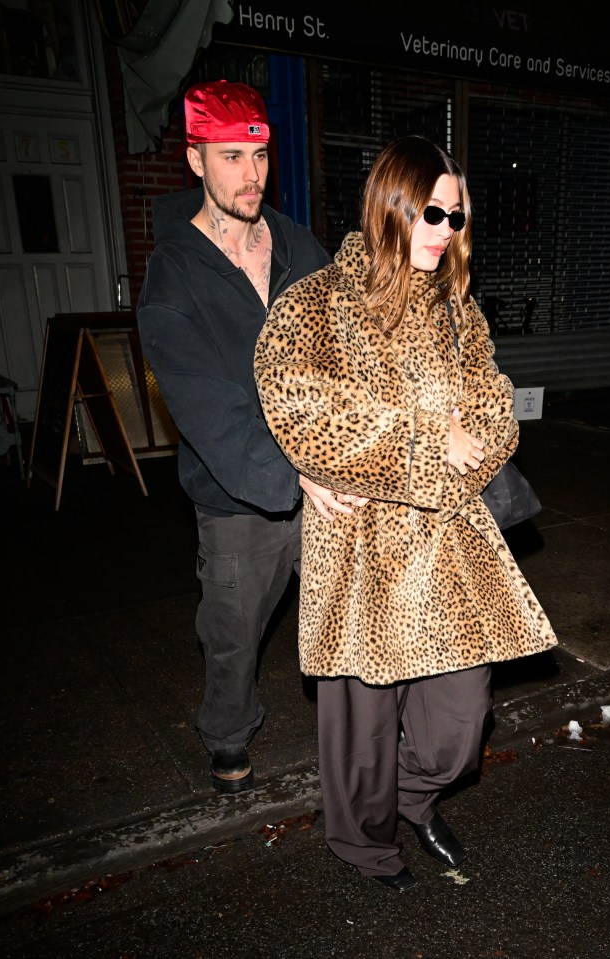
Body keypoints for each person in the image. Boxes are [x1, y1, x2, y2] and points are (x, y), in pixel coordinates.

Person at [254, 135, 559, 891]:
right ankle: (365, 843)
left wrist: (475, 439)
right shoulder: (316, 303)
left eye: (454, 216)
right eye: (430, 211)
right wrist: (430, 438)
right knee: (358, 730)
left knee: (459, 724)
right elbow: (301, 408)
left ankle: (414, 798)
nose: (443, 229)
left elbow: (495, 407)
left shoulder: (457, 310)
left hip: (449, 546)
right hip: (359, 549)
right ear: (390, 204)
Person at [137, 79, 347, 796]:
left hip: (326, 472)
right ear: (196, 161)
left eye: (259, 156)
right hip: (239, 493)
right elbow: (204, 402)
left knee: (349, 611)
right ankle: (227, 736)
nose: (251, 175)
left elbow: (345, 342)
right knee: (233, 629)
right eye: (231, 157)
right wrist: (289, 475)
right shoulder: (174, 271)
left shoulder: (296, 244)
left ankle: (359, 735)